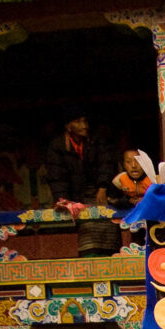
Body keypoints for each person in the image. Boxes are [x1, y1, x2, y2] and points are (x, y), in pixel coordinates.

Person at [44, 106, 117, 255]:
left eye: (85, 121)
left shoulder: (97, 141)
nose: (84, 126)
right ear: (68, 126)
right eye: (78, 122)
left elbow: (106, 164)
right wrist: (62, 199)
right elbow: (57, 177)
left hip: (100, 192)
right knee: (88, 239)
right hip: (78, 196)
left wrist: (103, 187)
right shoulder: (57, 146)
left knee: (109, 235)